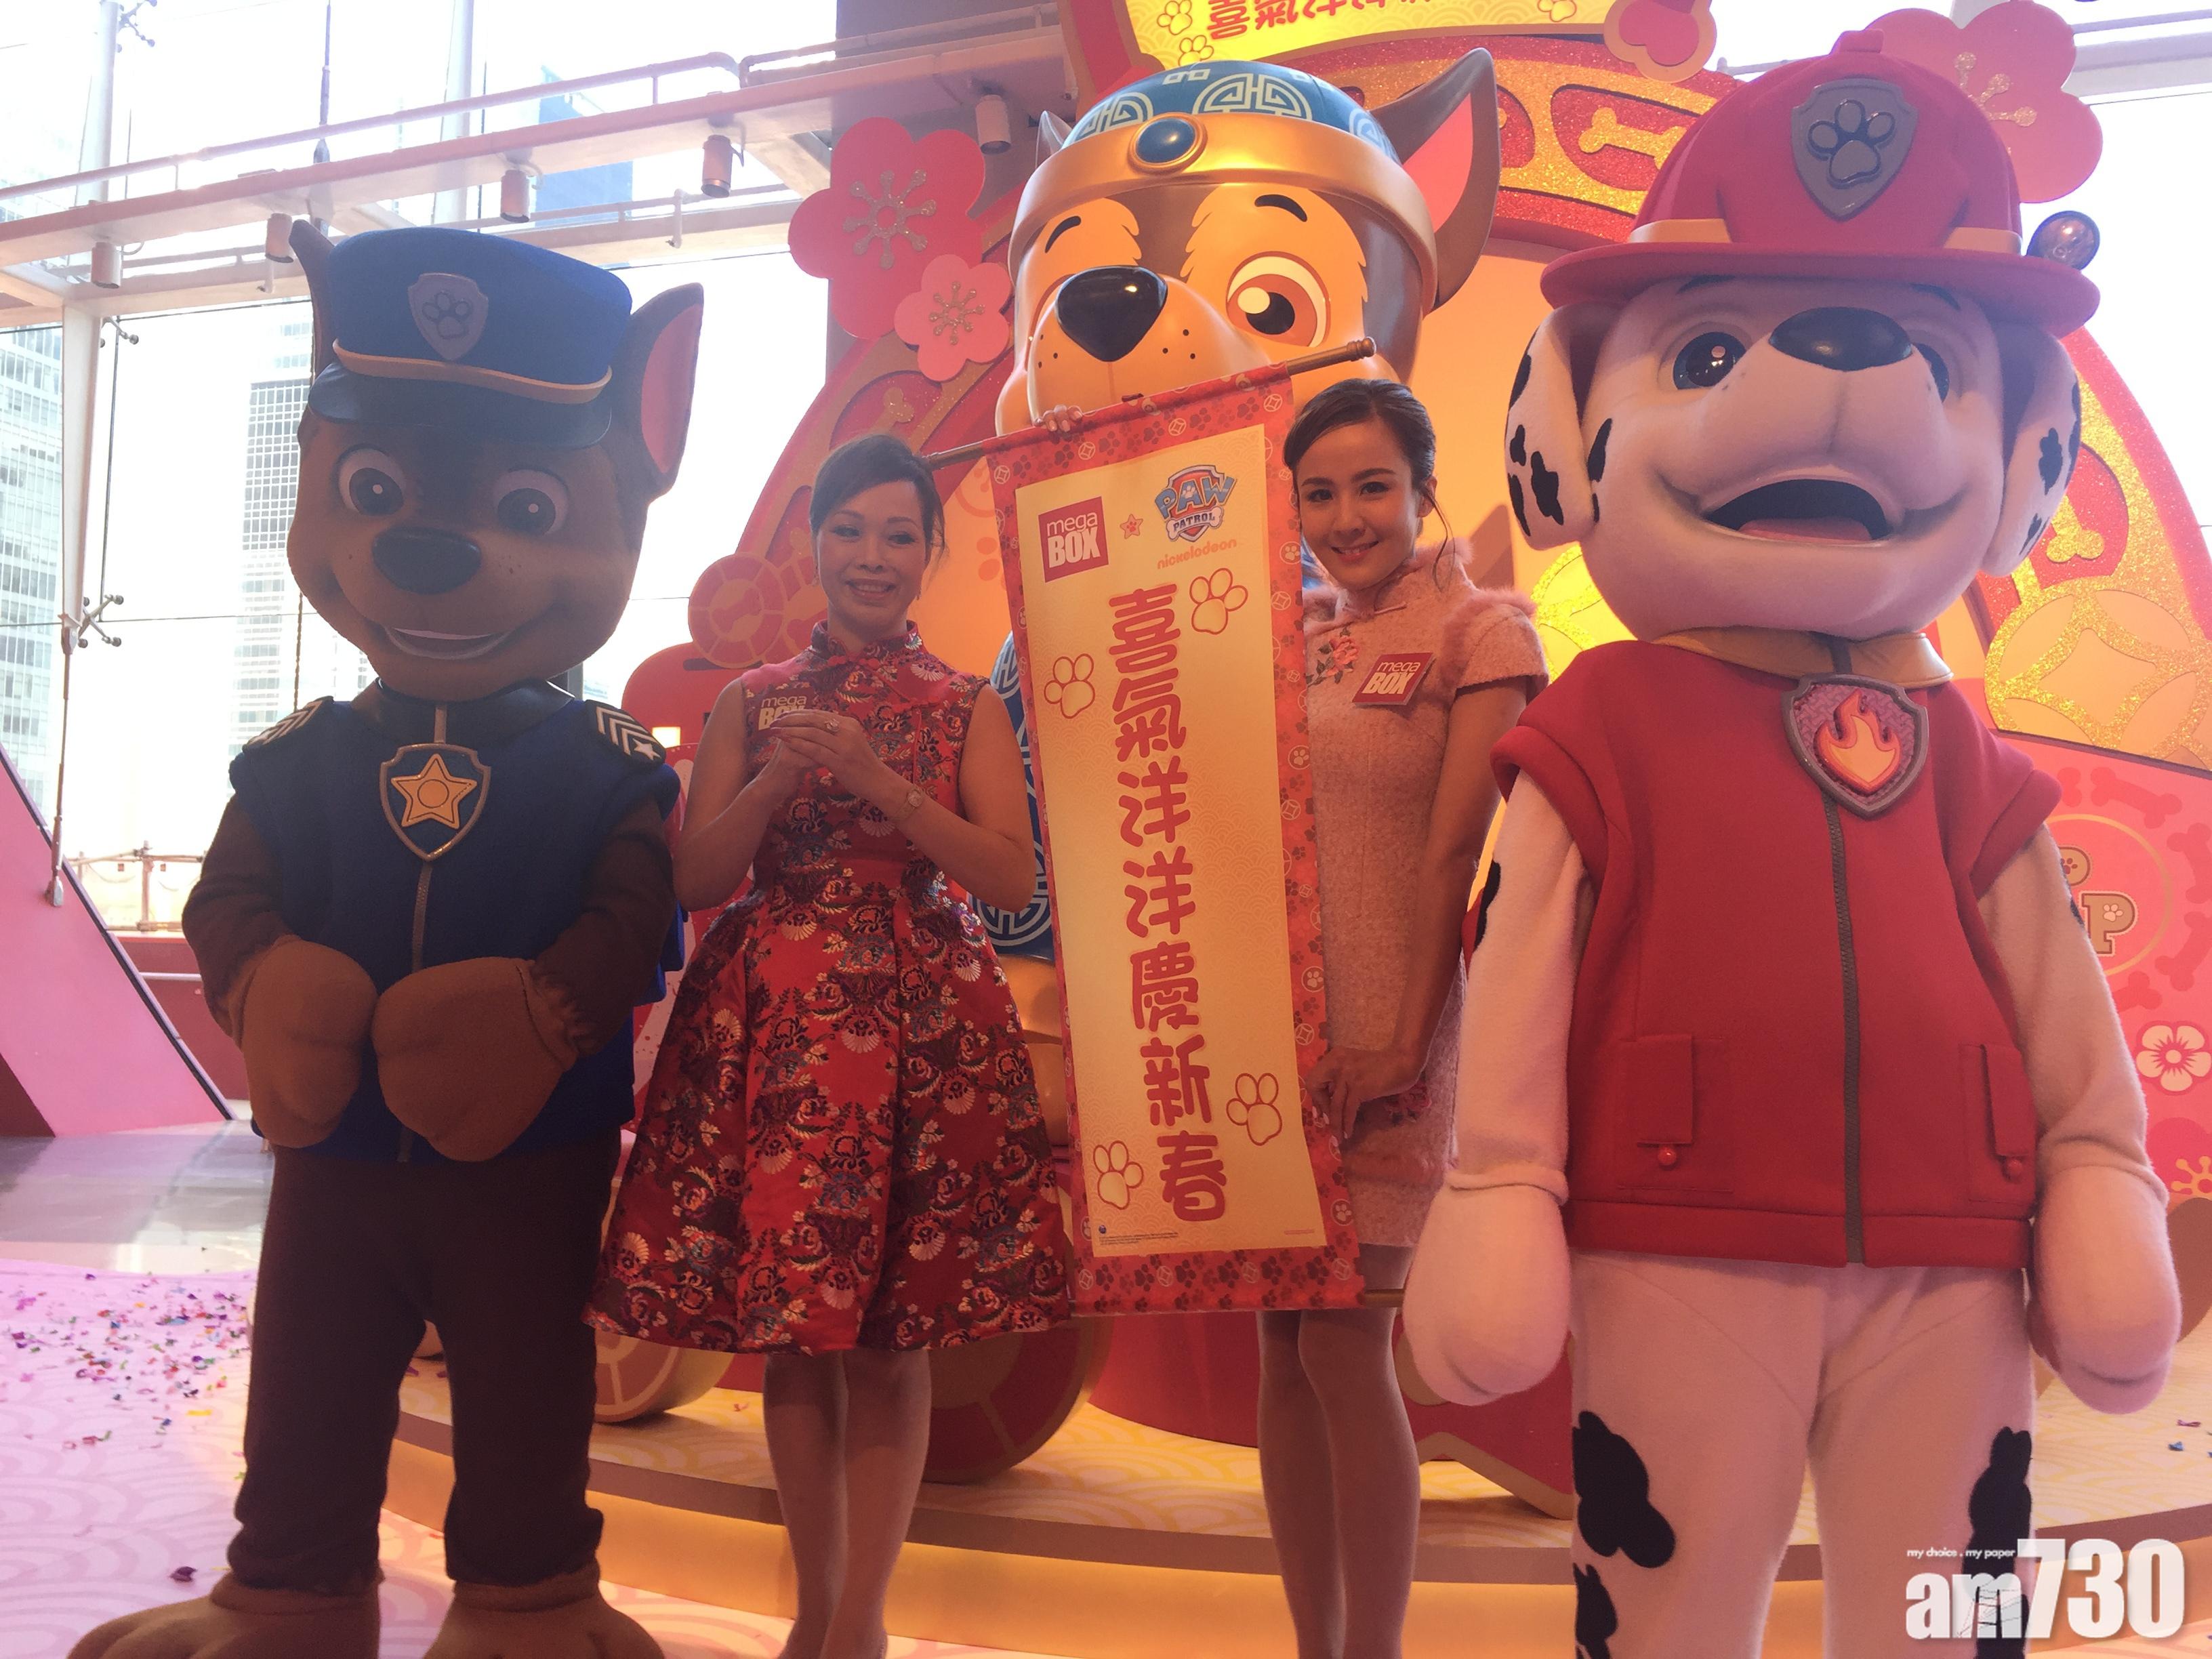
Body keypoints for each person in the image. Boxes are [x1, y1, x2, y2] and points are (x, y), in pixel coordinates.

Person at [588, 433, 1070, 1659]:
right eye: (849, 531)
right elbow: (698, 880)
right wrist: (772, 784)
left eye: (898, 534)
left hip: (925, 1027)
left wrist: (879, 781)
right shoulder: (751, 699)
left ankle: (862, 1620)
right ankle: (816, 1612)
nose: (872, 555)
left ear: (930, 552)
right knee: (799, 1338)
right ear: (815, 546)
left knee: (896, 1339)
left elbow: (1012, 880)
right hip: (781, 1027)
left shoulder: (965, 704)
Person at [1263, 377, 1546, 1659]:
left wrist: (1404, 1042)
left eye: (1372, 486)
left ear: (1423, 488)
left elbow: (1453, 858)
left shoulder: (1485, 634)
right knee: (1281, 1345)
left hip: (1393, 1034)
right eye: (1319, 494)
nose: (1346, 517)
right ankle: (1313, 1643)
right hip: (1276, 1038)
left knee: (1343, 1346)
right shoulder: (1296, 639)